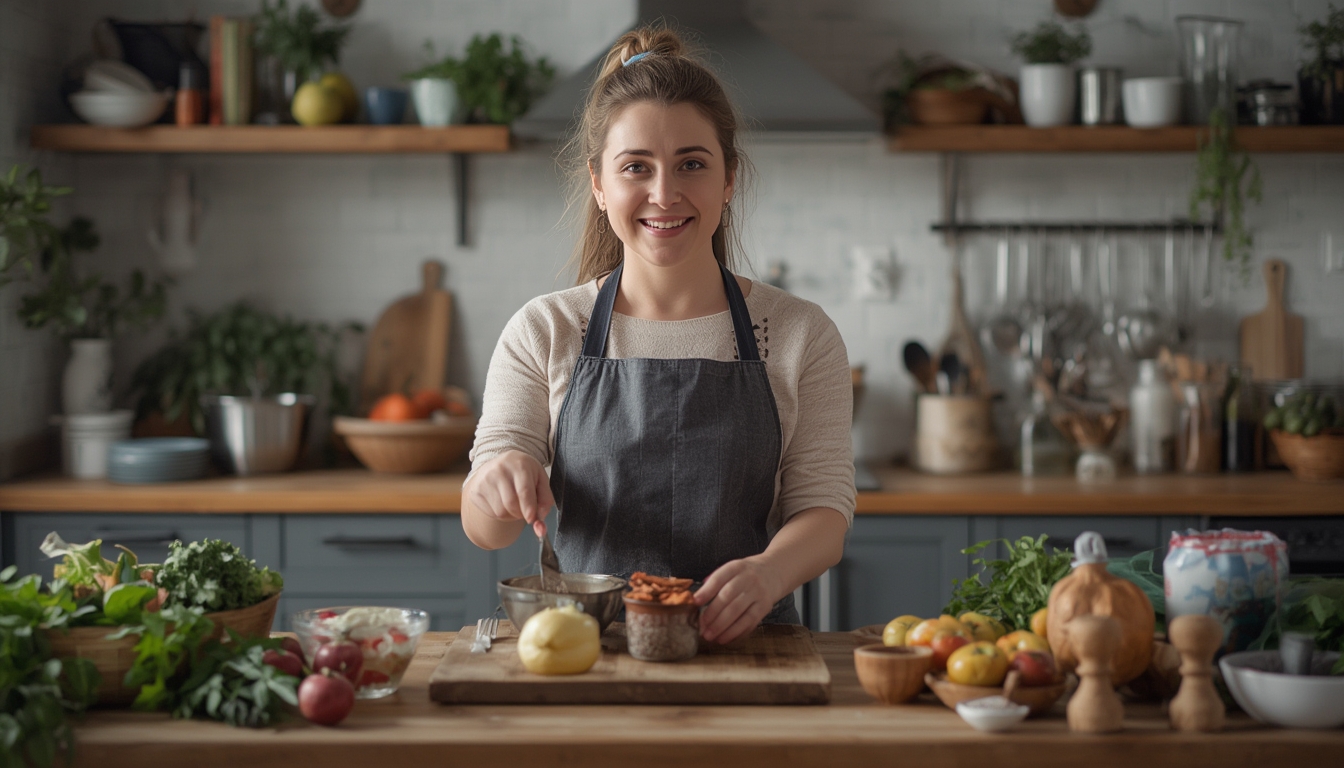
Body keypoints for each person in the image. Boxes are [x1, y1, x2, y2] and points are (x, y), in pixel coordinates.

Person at [461, 26, 855, 645]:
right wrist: (496, 480)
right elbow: (488, 530)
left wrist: (770, 573)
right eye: (635, 167)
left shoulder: (801, 332)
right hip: (586, 654)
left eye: (691, 164)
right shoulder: (544, 329)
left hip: (748, 651)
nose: (664, 194)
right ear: (599, 184)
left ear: (728, 180)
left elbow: (824, 511)